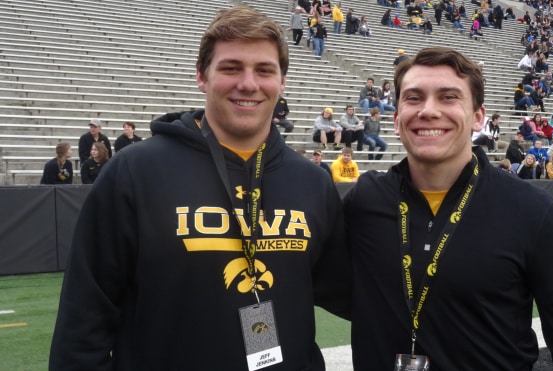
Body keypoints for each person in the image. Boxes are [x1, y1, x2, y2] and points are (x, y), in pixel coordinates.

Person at [50, 8, 351, 370]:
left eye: (264, 70)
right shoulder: (136, 170)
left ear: (282, 83)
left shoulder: (313, 181)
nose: (248, 83)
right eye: (231, 68)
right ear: (201, 76)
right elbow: (84, 317)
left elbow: (353, 293)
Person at [344, 46, 553, 370]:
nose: (428, 110)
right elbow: (291, 282)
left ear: (478, 117)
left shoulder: (531, 210)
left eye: (448, 97)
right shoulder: (364, 201)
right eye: (413, 98)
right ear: (396, 120)